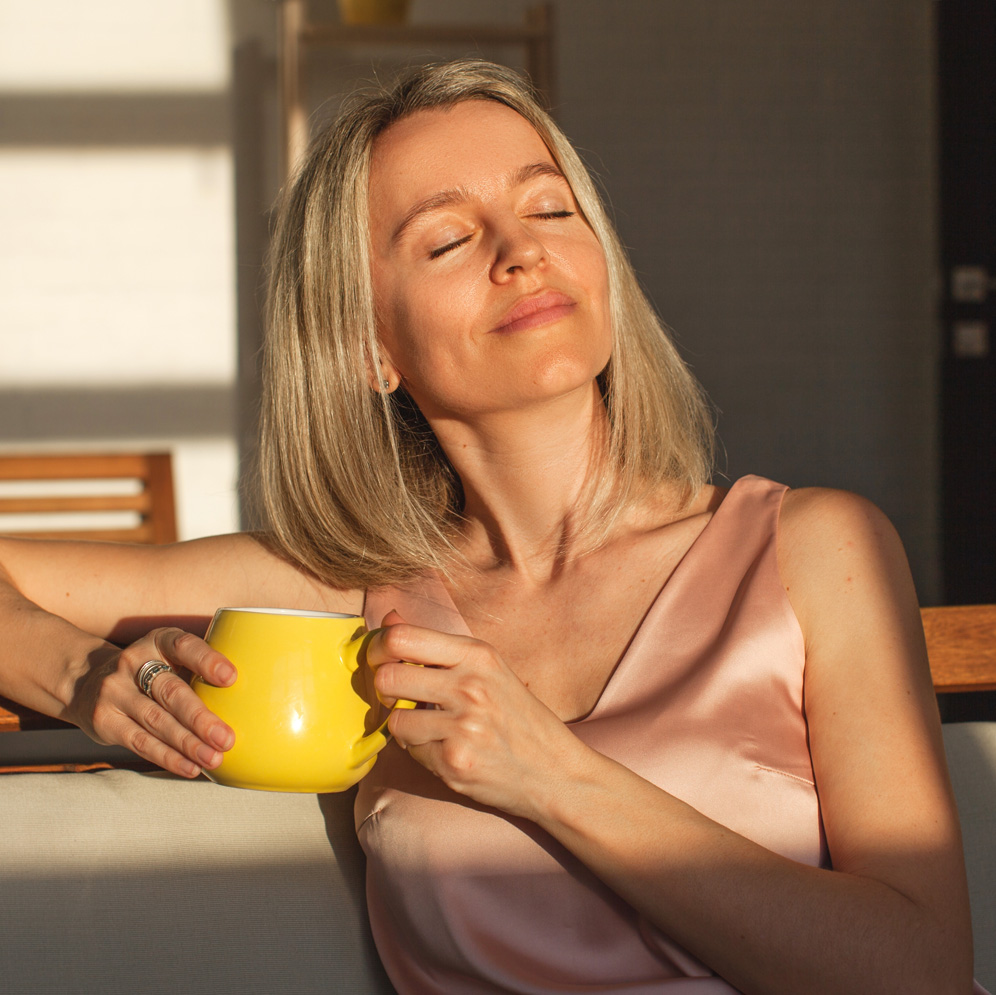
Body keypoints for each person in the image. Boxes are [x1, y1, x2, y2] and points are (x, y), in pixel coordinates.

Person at [0, 60, 983, 995]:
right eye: (447, 239)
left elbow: (919, 970)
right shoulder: (359, 597)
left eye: (549, 207)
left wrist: (547, 771)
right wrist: (81, 674)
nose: (524, 253)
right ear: (370, 345)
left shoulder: (816, 548)